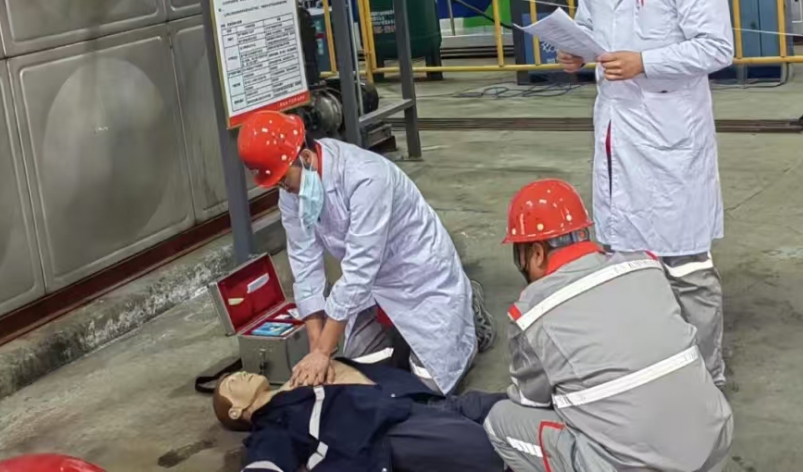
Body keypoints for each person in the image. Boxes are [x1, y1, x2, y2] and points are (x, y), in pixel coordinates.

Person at [558, 0, 735, 386]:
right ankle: (649, 367)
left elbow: (717, 47)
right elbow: (589, 27)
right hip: (619, 135)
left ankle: (706, 376)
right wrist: (574, 52)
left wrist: (645, 62)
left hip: (669, 137)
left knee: (686, 269)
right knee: (628, 265)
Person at [484, 180, 732, 472]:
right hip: (713, 444)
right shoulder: (646, 266)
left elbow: (532, 401)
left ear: (536, 253)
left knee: (500, 420)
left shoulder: (532, 313)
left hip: (632, 466)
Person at [237, 110, 491, 395]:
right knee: (359, 373)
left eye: (285, 180)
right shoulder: (292, 192)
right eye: (279, 185)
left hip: (418, 276)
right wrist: (317, 347)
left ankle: (468, 309)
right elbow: (304, 264)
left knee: (431, 387)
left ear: (305, 158)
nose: (285, 190)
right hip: (372, 286)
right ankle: (402, 335)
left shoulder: (366, 176)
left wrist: (324, 351)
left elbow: (359, 270)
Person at [213, 360, 506, 472]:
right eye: (232, 383)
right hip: (392, 429)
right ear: (236, 410)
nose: (240, 374)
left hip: (418, 399)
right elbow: (265, 461)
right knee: (493, 451)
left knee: (515, 406)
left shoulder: (301, 374)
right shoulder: (273, 422)